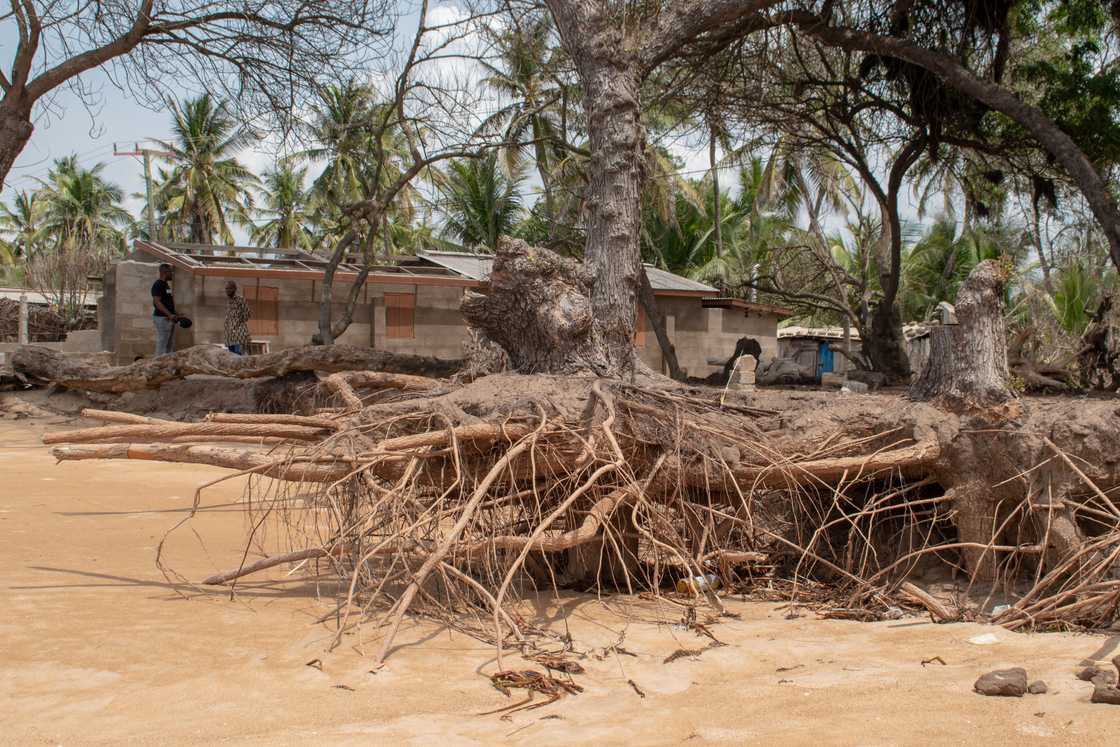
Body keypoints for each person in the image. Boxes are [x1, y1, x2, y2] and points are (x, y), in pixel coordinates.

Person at [151, 263, 179, 356]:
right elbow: (157, 302)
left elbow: (167, 301)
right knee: (162, 343)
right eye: (171, 272)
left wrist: (174, 313)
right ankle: (156, 366)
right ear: (165, 272)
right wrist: (169, 315)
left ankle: (167, 367)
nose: (172, 274)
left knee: (169, 345)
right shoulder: (158, 284)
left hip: (168, 318)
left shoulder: (166, 285)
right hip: (162, 318)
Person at [224, 280, 252, 355]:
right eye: (226, 289)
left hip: (239, 334)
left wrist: (238, 324)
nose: (227, 291)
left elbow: (247, 314)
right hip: (229, 335)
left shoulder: (240, 299)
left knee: (239, 355)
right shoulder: (228, 302)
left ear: (234, 289)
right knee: (231, 356)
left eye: (229, 288)